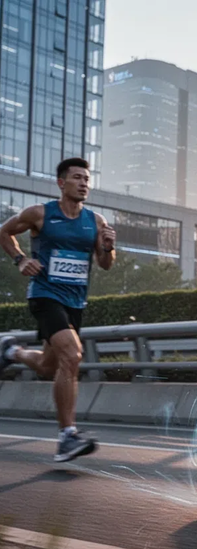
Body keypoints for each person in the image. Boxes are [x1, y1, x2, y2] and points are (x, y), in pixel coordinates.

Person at [0, 157, 116, 462]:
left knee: (49, 366)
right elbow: (4, 232)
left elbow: (105, 265)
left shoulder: (96, 221)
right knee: (73, 355)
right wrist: (21, 260)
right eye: (77, 178)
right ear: (61, 183)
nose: (83, 183)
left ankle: (11, 352)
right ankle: (67, 436)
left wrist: (107, 247)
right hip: (45, 294)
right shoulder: (40, 214)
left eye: (87, 179)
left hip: (75, 302)